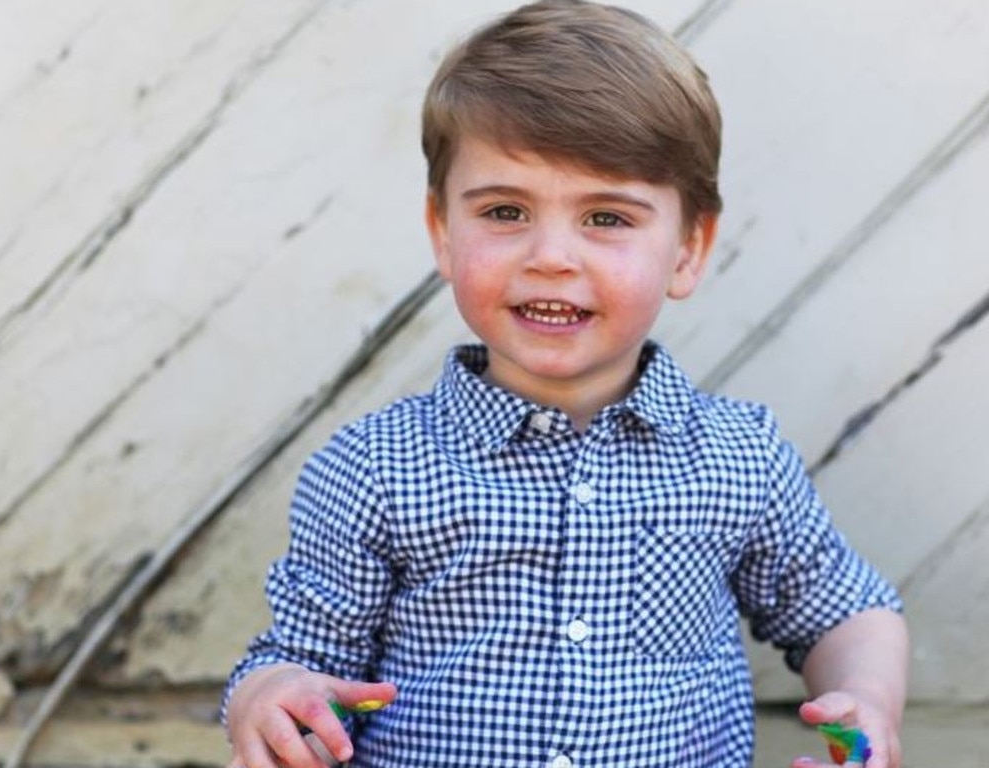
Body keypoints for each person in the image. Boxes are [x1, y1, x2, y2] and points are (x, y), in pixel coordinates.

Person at [222, 1, 909, 766]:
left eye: (607, 218)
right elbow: (301, 658)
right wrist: (273, 695)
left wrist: (867, 704)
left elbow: (846, 612)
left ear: (688, 248)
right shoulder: (374, 469)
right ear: (444, 232)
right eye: (506, 211)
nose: (551, 255)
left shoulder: (737, 458)